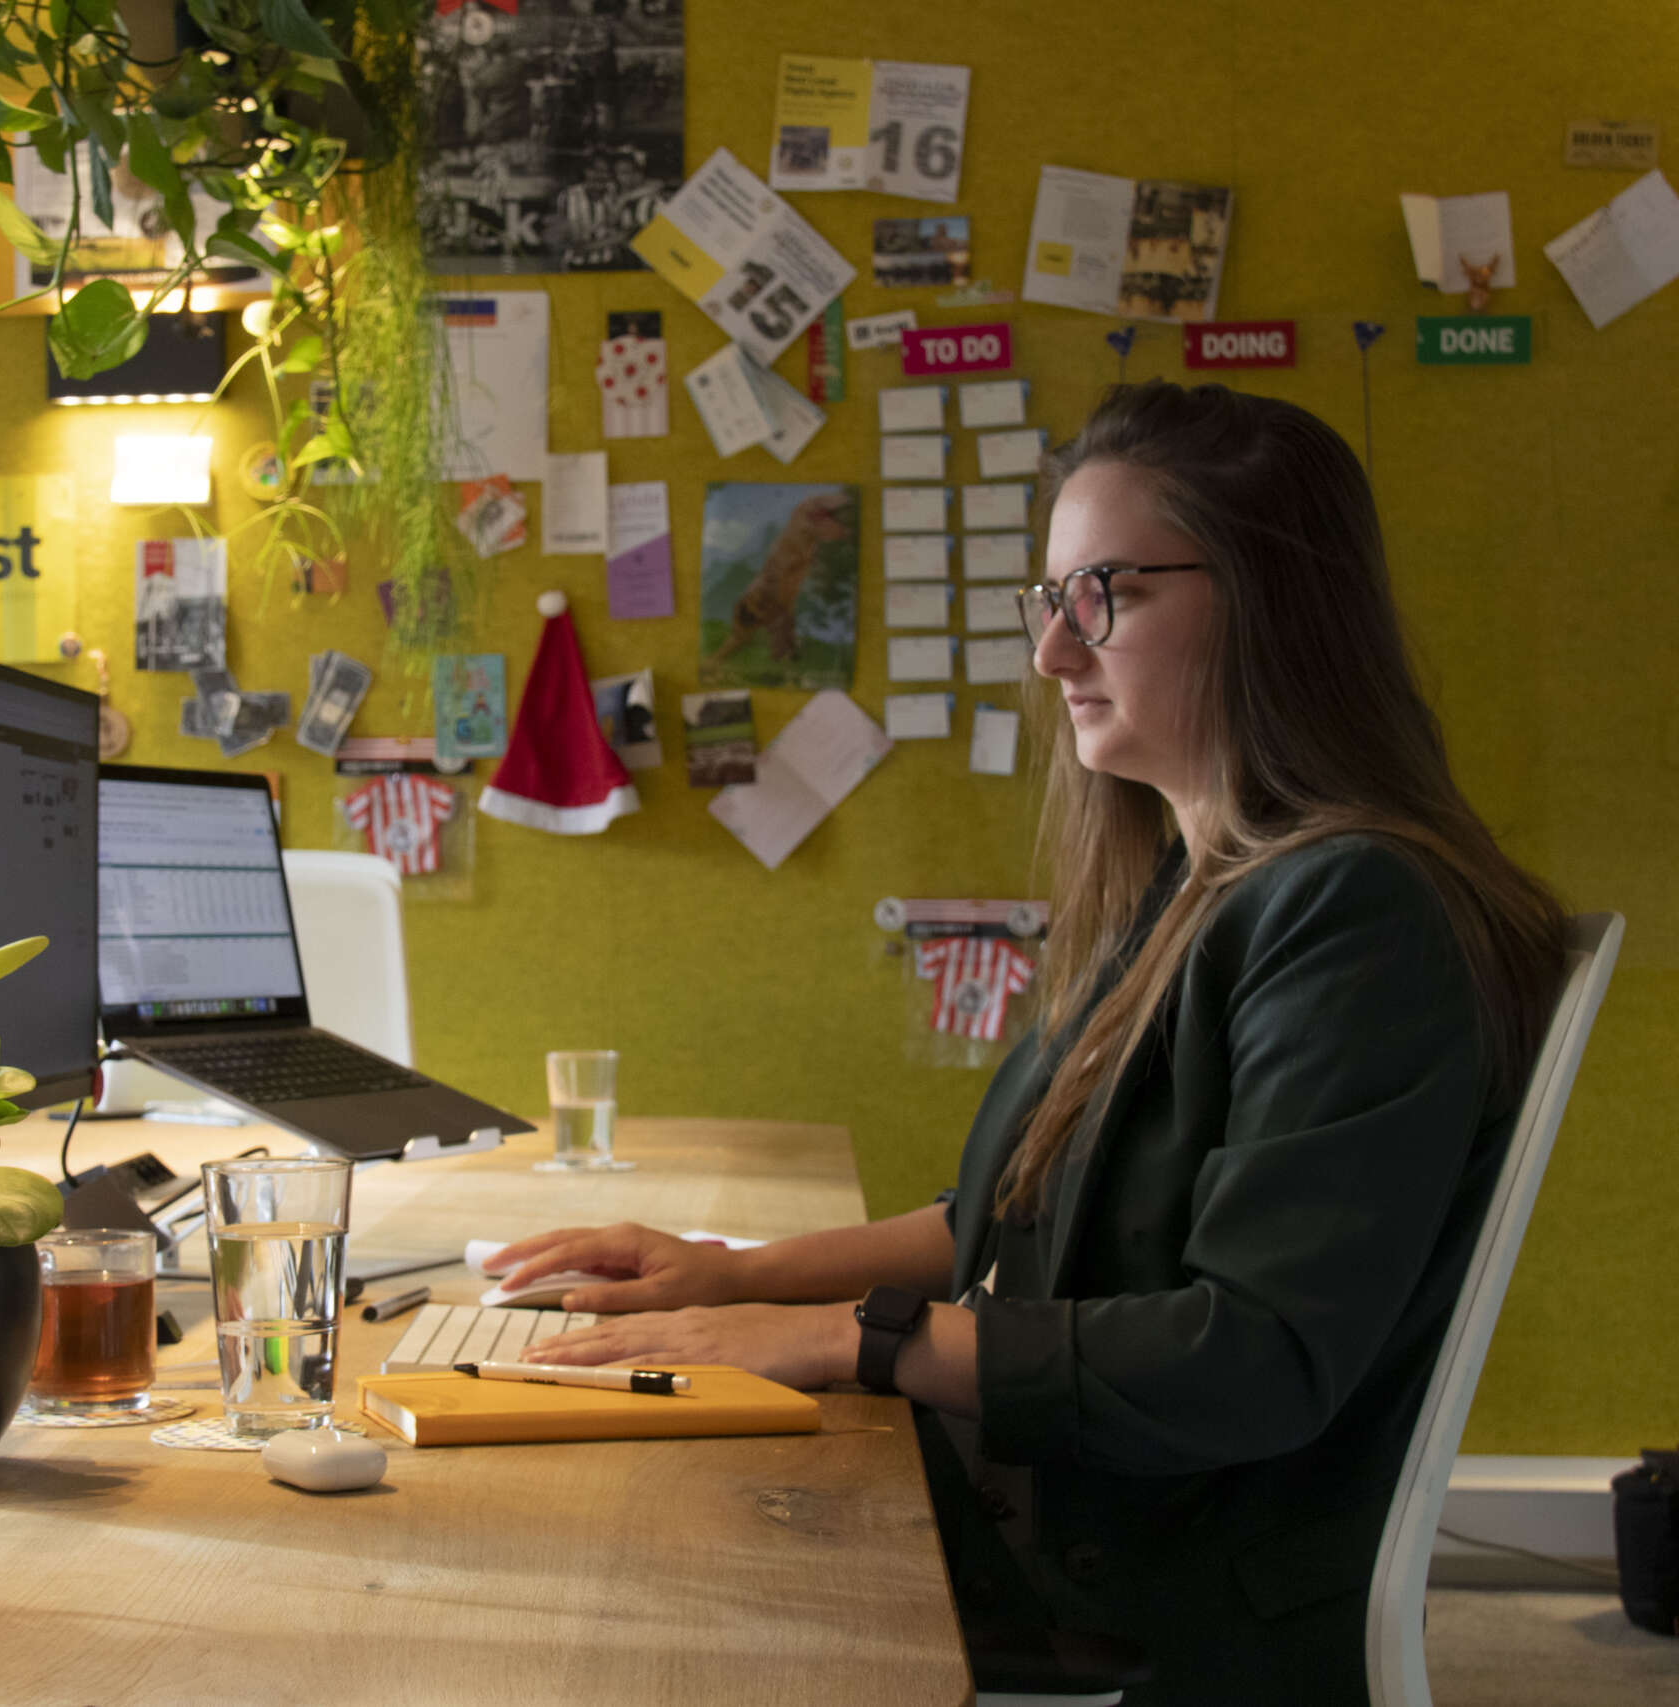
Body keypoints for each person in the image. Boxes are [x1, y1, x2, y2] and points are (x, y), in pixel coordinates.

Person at [489, 380, 1567, 1706]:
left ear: (1275, 601)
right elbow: (1009, 1219)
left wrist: (837, 1337)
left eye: (1106, 594)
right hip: (1066, 1520)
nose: (1055, 652)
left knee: (604, 1582)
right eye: (1049, 599)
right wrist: (728, 1279)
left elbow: (1251, 1359)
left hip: (1146, 1597)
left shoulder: (1355, 912)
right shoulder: (1193, 883)